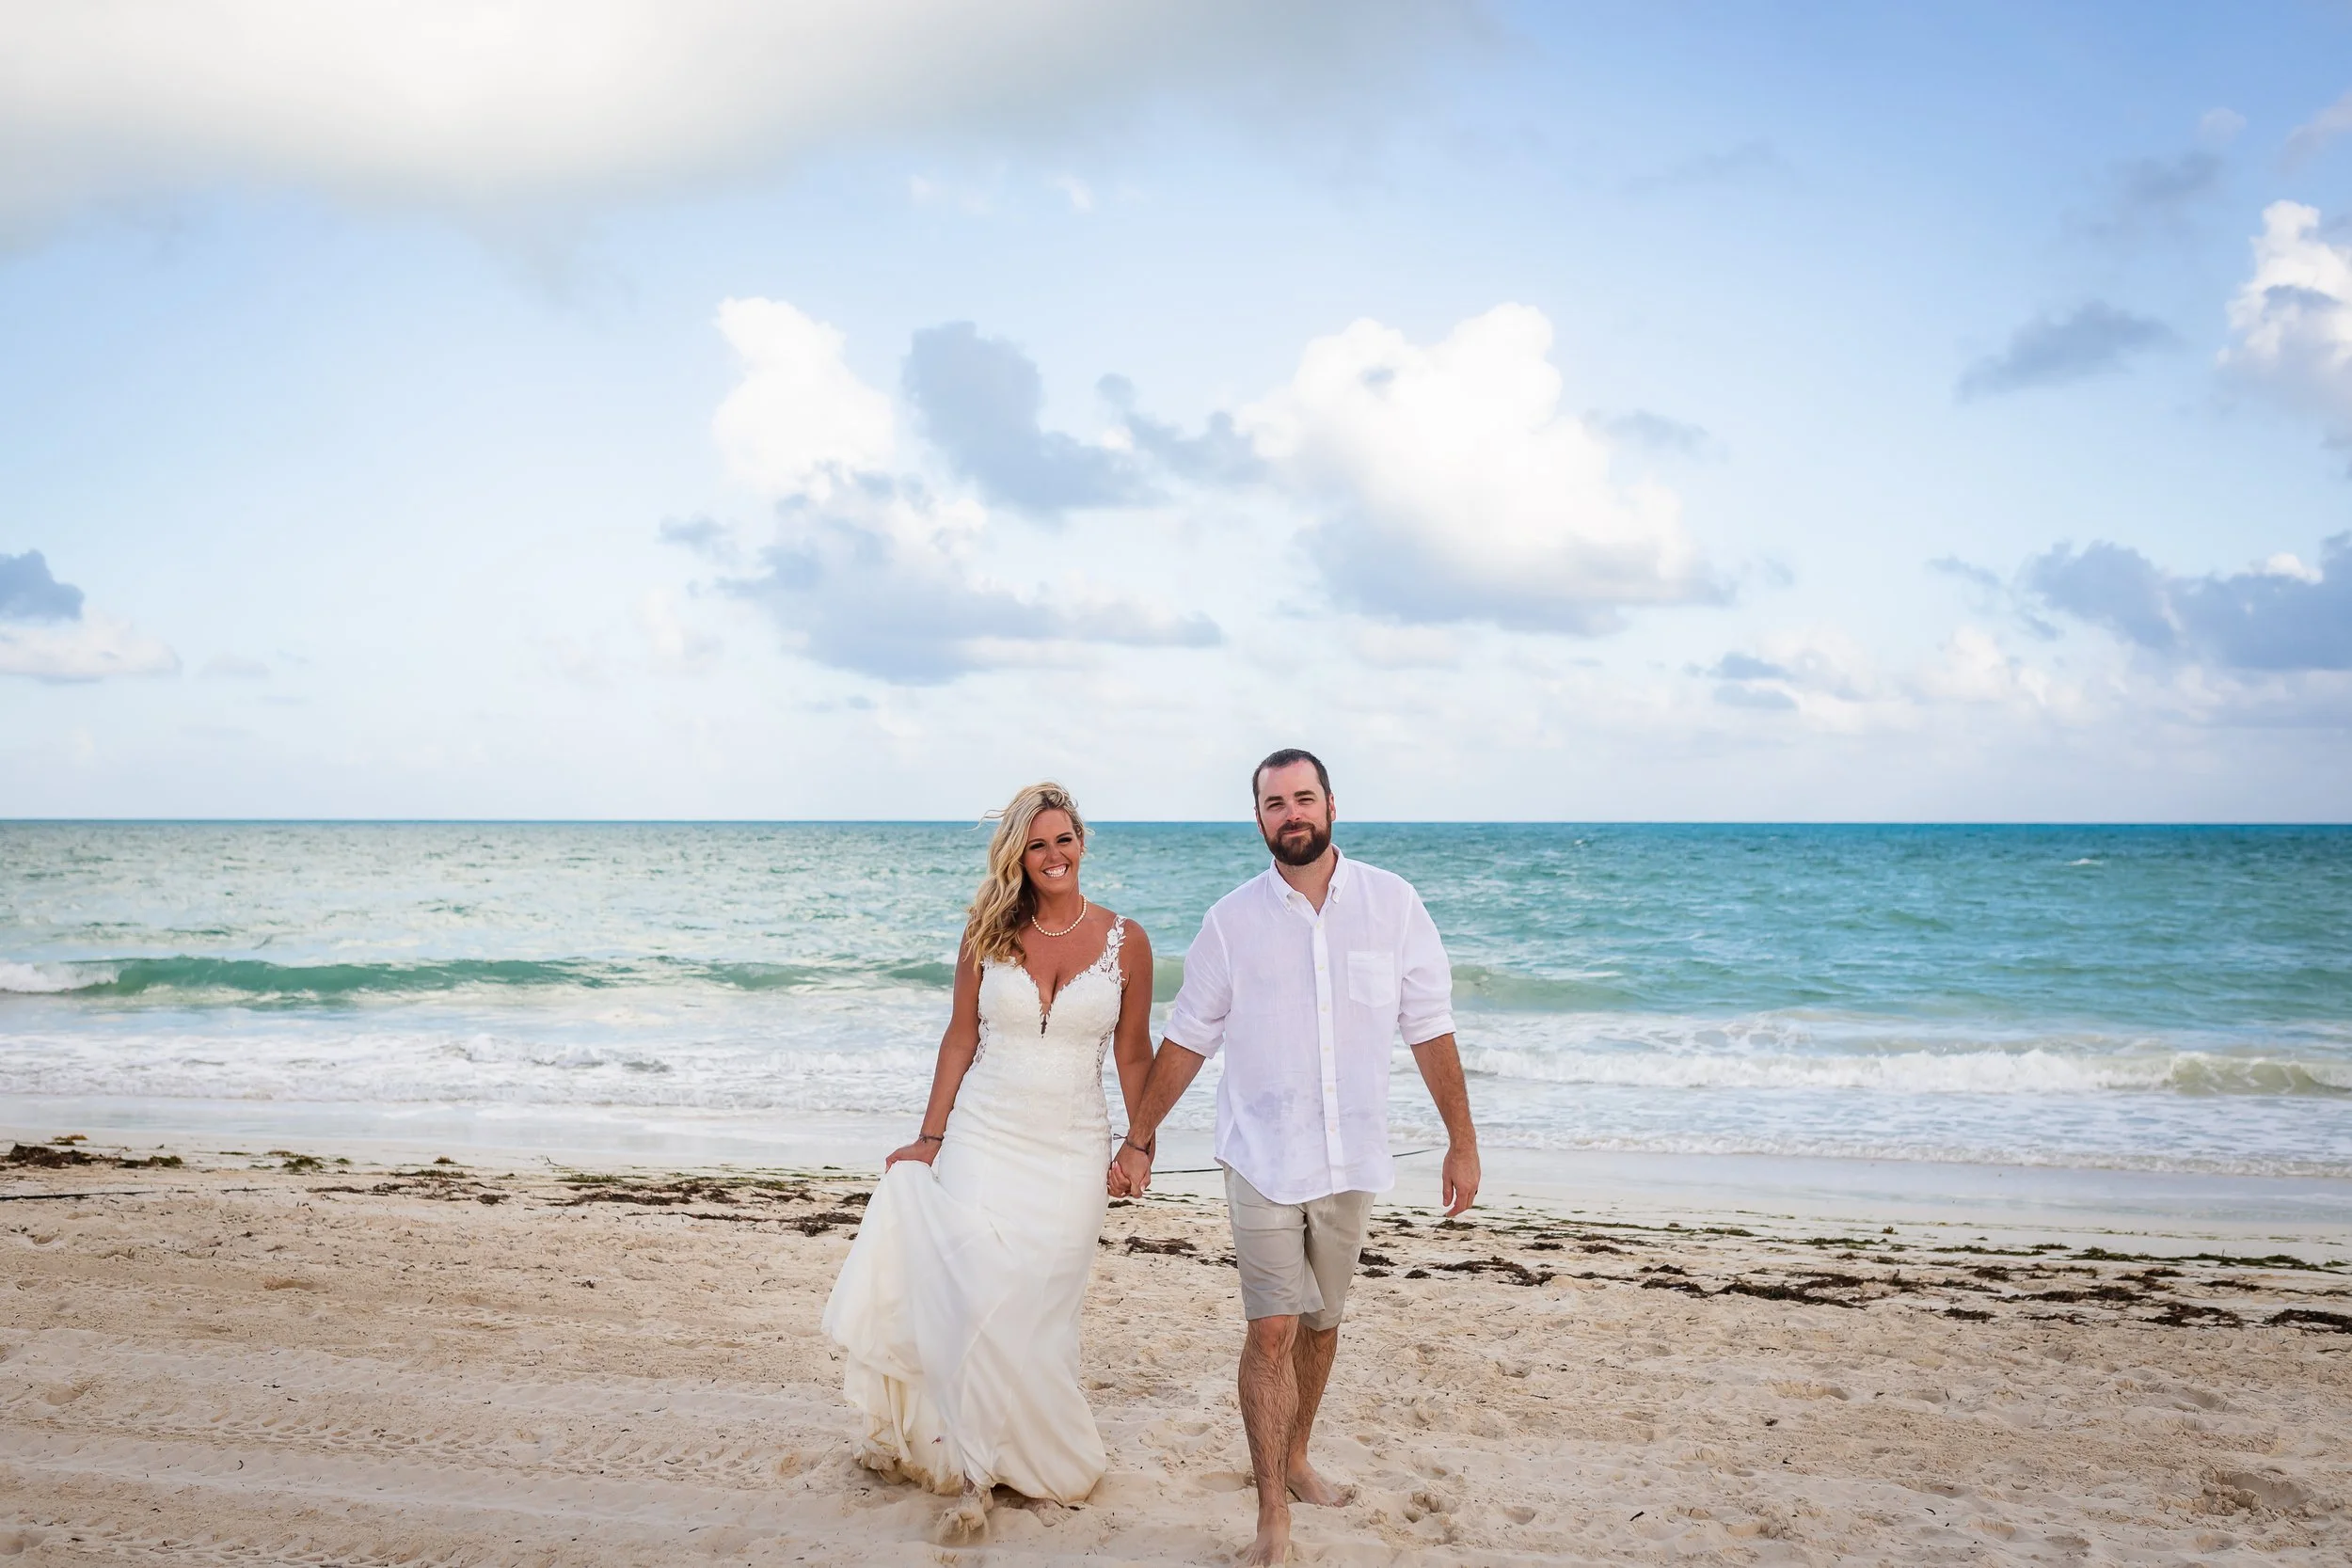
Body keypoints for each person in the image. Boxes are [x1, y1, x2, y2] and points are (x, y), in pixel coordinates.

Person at [1109, 747, 1480, 1567]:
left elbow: (1429, 1026)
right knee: (1272, 1327)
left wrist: (1462, 1139)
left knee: (1321, 1322)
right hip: (1262, 1153)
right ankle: (1271, 1507)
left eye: (1303, 798)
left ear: (1332, 805)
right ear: (1258, 819)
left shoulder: (1393, 904)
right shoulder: (1230, 922)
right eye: (1275, 803)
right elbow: (1188, 1038)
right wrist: (1138, 1137)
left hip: (1352, 1155)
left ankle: (1298, 1452)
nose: (1292, 814)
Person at [822, 783, 1155, 1540]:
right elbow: (960, 1037)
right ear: (1018, 855)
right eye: (1036, 844)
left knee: (1041, 1304)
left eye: (1063, 839)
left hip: (1073, 1145)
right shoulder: (986, 930)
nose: (1053, 855)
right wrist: (929, 1137)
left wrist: (1140, 1143)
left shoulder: (1126, 939)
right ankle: (973, 1469)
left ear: (1082, 842)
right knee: (974, 1292)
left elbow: (1134, 1053)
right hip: (983, 1134)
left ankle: (1029, 1454)